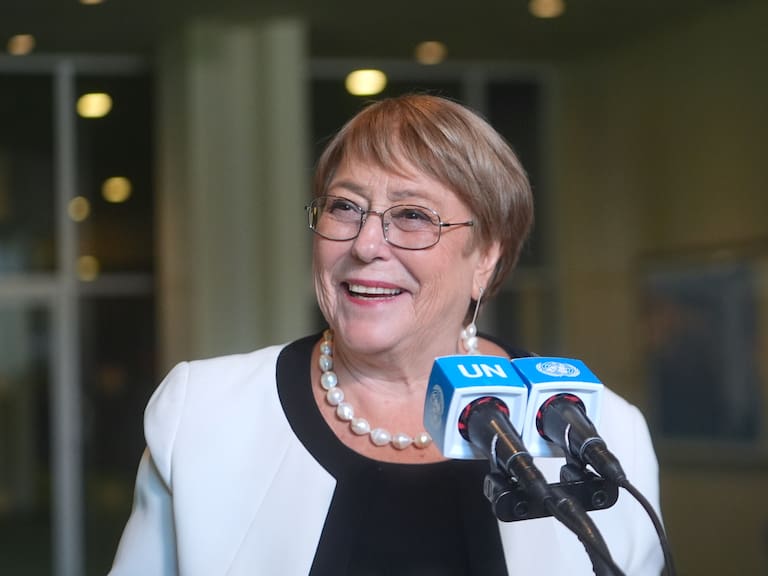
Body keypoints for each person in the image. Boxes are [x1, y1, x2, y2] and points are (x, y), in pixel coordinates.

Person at [109, 93, 664, 575]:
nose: (366, 244)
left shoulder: (599, 431)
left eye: (413, 216)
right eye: (345, 207)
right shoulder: (204, 412)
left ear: (486, 259)